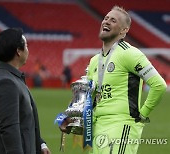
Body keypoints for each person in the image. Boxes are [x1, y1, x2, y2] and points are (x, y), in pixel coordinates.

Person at [59, 6, 167, 154]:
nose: (107, 22)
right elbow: (88, 98)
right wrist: (69, 117)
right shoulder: (94, 61)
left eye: (113, 20)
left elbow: (159, 85)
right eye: (106, 18)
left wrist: (142, 114)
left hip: (120, 126)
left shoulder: (130, 54)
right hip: (96, 128)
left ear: (124, 30)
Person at [0, 28, 51, 154]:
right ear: (18, 51)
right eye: (26, 46)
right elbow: (9, 129)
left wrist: (40, 144)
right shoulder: (6, 82)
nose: (28, 50)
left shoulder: (4, 76)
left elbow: (23, 122)